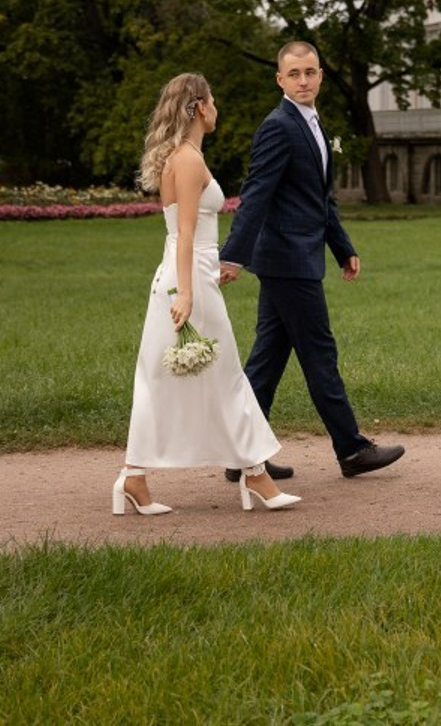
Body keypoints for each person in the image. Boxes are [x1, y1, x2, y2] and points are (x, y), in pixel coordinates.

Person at [116, 73, 302, 516]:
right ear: (199, 107)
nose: (217, 108)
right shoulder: (188, 160)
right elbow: (183, 234)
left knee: (169, 379)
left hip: (193, 272)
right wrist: (186, 292)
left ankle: (136, 478)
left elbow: (191, 233)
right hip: (186, 277)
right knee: (226, 375)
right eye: (213, 101)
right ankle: (254, 476)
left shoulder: (185, 156)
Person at [219, 41, 404, 479]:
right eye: (294, 74)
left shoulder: (314, 124)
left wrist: (343, 247)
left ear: (320, 75)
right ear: (280, 80)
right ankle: (352, 450)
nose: (304, 80)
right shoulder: (278, 126)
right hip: (288, 262)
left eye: (310, 72)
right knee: (320, 354)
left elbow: (319, 199)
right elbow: (256, 194)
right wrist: (233, 257)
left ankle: (241, 455)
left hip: (296, 259)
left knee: (266, 361)